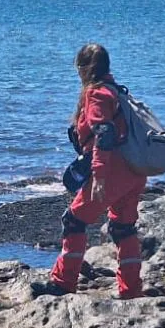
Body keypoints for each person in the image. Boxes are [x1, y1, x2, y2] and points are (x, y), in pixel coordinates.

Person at [50, 43, 146, 299]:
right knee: (123, 228)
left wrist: (100, 176)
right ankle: (131, 290)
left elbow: (104, 133)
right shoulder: (117, 91)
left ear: (85, 68)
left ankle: (63, 283)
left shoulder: (97, 94)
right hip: (134, 170)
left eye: (78, 68)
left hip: (113, 170)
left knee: (73, 221)